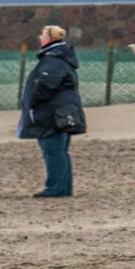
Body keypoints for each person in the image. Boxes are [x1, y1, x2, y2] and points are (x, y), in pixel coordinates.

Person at [19, 25, 85, 197]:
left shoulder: (53, 60)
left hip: (52, 115)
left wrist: (31, 101)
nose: (40, 37)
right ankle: (63, 187)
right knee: (59, 151)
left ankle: (56, 188)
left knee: (53, 150)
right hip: (61, 113)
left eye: (42, 34)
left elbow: (46, 84)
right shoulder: (61, 58)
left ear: (49, 38)